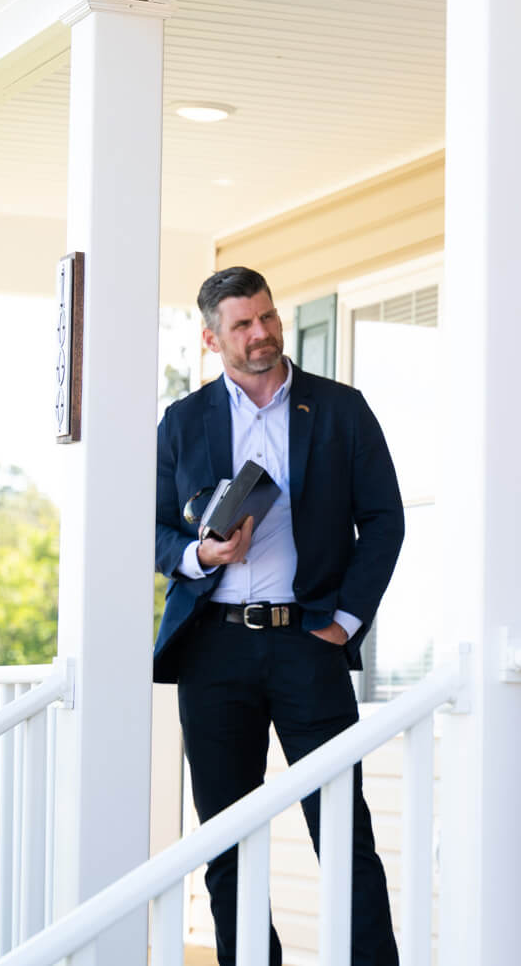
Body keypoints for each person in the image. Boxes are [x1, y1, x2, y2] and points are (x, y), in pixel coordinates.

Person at [154, 266, 405, 966]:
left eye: (266, 317)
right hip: (212, 651)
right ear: (211, 338)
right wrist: (201, 554)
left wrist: (345, 622)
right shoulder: (182, 422)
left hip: (309, 641)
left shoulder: (339, 409)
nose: (260, 333)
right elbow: (148, 530)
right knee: (226, 842)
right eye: (242, 324)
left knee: (343, 831)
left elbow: (383, 520)